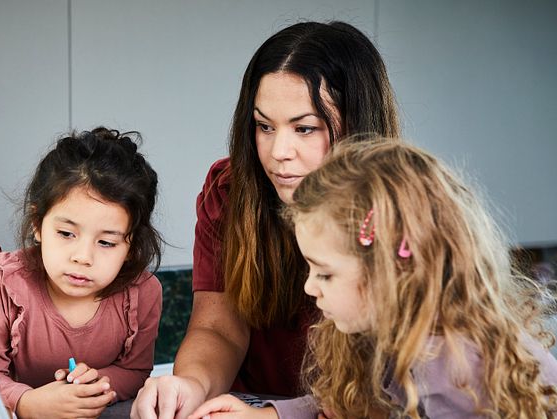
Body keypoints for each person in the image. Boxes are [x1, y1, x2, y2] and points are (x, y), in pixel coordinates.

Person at [132, 21, 399, 419]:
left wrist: (276, 416)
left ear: (357, 126)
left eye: (304, 128)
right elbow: (218, 329)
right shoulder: (229, 190)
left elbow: (386, 385)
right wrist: (191, 384)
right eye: (264, 126)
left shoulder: (403, 210)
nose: (278, 152)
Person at [188, 139, 557, 418]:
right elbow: (358, 396)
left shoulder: (449, 372)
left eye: (326, 273)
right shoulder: (399, 336)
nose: (309, 287)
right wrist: (271, 415)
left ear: (389, 273)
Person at [0, 127, 163, 418]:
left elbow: (134, 370)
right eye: (66, 233)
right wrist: (26, 403)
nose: (82, 257)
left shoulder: (143, 292)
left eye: (106, 242)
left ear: (131, 246)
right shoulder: (6, 281)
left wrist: (95, 387)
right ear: (37, 224)